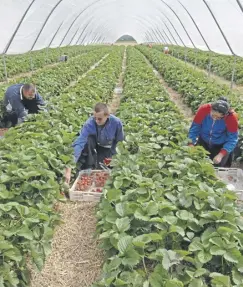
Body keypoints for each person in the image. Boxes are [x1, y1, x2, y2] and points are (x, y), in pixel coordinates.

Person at [65, 103, 124, 183]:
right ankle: (88, 165)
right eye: (95, 117)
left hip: (107, 147)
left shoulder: (116, 123)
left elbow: (119, 142)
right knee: (87, 140)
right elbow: (79, 143)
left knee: (104, 167)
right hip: (93, 144)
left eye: (99, 119)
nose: (96, 121)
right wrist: (69, 168)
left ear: (107, 116)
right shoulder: (89, 123)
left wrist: (113, 156)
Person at [188, 97, 238, 167]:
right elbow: (195, 128)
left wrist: (221, 155)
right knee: (199, 164)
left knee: (217, 166)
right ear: (211, 109)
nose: (215, 118)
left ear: (224, 115)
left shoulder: (231, 118)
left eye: (218, 117)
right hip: (203, 141)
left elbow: (232, 139)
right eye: (213, 115)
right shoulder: (204, 109)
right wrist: (191, 143)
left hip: (220, 145)